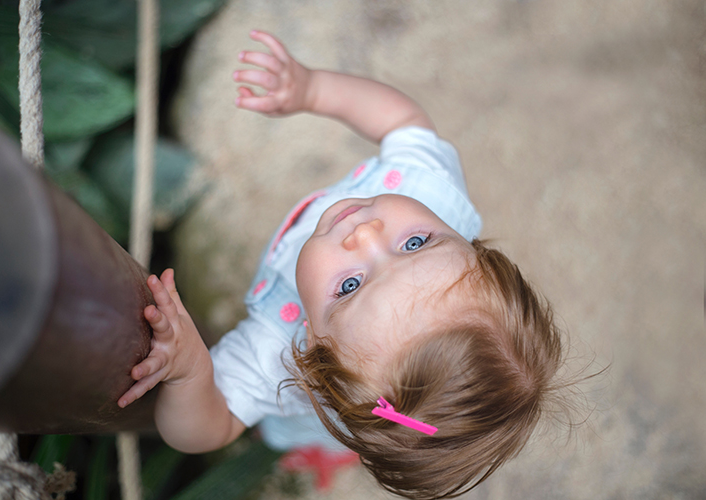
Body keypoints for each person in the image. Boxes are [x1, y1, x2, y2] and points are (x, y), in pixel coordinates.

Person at [117, 30, 565, 499]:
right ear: (472, 247)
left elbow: (205, 429)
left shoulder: (276, 356)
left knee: (296, 431)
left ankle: (327, 449)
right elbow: (404, 123)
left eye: (350, 285)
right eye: (415, 243)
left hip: (315, 413)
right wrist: (312, 89)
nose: (366, 235)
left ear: (310, 347)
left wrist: (191, 371)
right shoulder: (429, 190)